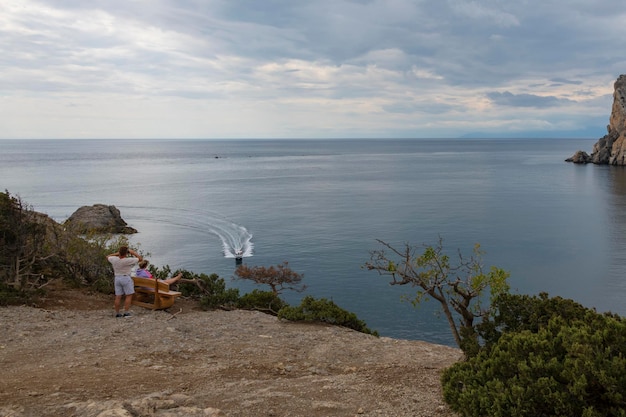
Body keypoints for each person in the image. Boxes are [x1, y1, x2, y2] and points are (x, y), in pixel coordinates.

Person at [107, 245, 142, 318]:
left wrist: (117, 253)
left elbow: (108, 256)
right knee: (128, 295)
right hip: (126, 278)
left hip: (117, 278)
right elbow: (140, 259)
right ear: (126, 253)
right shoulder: (128, 260)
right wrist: (133, 253)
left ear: (119, 252)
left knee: (118, 296)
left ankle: (117, 313)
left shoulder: (114, 259)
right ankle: (126, 312)